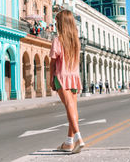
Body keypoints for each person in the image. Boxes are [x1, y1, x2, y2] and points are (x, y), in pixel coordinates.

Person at [49, 10, 84, 154]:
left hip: (62, 76)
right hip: (74, 76)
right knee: (73, 108)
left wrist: (51, 78)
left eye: (57, 22)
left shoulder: (58, 40)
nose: (56, 24)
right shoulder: (76, 41)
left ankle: (78, 138)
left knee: (69, 106)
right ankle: (69, 142)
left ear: (61, 23)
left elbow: (52, 62)